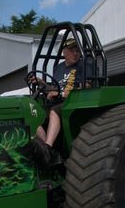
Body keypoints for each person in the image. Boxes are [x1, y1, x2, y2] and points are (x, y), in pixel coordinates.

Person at [31, 38, 91, 166]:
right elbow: (54, 88)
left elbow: (87, 87)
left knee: (54, 111)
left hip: (74, 101)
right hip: (58, 100)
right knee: (32, 112)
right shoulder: (59, 68)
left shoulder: (84, 65)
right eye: (72, 50)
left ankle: (47, 147)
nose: (76, 53)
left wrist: (62, 93)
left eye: (77, 50)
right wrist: (42, 83)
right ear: (64, 52)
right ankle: (45, 150)